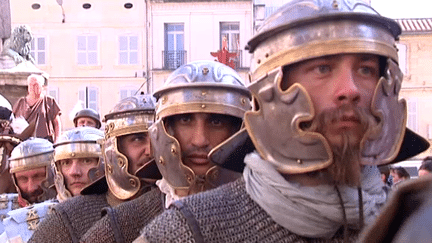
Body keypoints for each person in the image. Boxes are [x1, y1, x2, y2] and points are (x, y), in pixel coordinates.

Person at [134, 1, 429, 242]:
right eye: (323, 68)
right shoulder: (189, 230)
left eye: (365, 70)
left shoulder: (414, 221)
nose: (350, 89)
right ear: (273, 89)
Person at [79, 60, 251, 243]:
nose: (200, 140)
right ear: (165, 128)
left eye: (216, 122)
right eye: (186, 120)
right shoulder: (121, 226)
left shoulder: (270, 213)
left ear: (238, 130)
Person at [28, 94, 160, 243]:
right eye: (137, 139)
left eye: (158, 136)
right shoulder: (71, 217)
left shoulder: (183, 204)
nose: (150, 150)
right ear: (114, 147)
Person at [0, 137, 57, 241]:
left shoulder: (74, 207)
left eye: (38, 176)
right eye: (23, 179)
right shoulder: (4, 208)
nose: (31, 188)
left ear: (55, 173)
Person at [52, 127, 104, 201]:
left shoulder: (122, 211)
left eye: (86, 161)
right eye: (66, 163)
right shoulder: (47, 212)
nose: (74, 172)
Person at [12, 74, 61, 143]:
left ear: (42, 87)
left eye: (35, 85)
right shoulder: (20, 102)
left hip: (44, 143)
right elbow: (12, 121)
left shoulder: (49, 101)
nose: (32, 87)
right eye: (30, 85)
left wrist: (57, 141)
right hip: (23, 144)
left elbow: (57, 124)